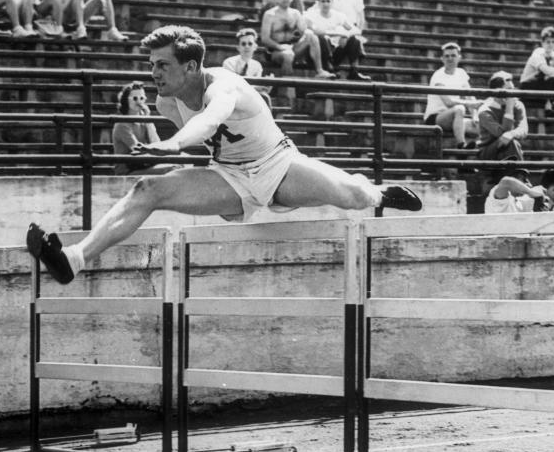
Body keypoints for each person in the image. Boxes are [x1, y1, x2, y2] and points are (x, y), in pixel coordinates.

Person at [27, 25, 421, 285]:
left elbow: (211, 121)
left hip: (277, 164)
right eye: (151, 65)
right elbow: (205, 137)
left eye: (163, 65)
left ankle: (380, 191)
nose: (154, 74)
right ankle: (74, 259)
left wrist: (174, 144)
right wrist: (174, 146)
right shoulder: (167, 102)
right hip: (228, 175)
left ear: (193, 66)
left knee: (352, 197)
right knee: (147, 188)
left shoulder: (225, 86)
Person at [261, 0, 334, 80]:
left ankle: (319, 70)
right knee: (288, 55)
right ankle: (287, 88)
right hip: (275, 51)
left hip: (293, 47)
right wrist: (280, 47)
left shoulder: (295, 13)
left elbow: (302, 32)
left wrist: (305, 27)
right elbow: (265, 39)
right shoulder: (270, 14)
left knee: (310, 35)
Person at [475, 70, 528, 189]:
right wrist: (509, 109)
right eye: (507, 92)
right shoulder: (485, 111)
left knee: (512, 142)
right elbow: (501, 135)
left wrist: (512, 133)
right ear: (496, 93)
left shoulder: (518, 105)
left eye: (512, 90)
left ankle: (519, 179)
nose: (511, 96)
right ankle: (522, 180)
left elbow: (523, 129)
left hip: (510, 150)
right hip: (489, 152)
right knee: (511, 143)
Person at [422, 42, 479, 149]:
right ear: (442, 59)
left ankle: (482, 151)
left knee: (483, 125)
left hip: (454, 118)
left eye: (453, 55)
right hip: (435, 118)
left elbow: (470, 95)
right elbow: (448, 102)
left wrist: (475, 115)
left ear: (459, 58)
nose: (450, 59)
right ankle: (461, 145)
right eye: (447, 56)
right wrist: (471, 104)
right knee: (459, 109)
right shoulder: (438, 75)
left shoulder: (461, 73)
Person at [303, 0, 369, 81]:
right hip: (317, 54)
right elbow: (317, 31)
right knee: (322, 38)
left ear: (332, 2)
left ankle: (354, 71)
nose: (325, 4)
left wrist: (346, 35)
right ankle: (328, 69)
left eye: (328, 1)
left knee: (355, 39)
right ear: (318, 3)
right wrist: (339, 33)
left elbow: (356, 30)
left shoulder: (338, 15)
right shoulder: (311, 15)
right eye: (323, 1)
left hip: (334, 52)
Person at [111, 81, 172, 176]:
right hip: (128, 172)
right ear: (126, 100)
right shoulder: (122, 124)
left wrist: (148, 119)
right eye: (135, 98)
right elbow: (138, 151)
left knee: (183, 163)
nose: (139, 101)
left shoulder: (144, 120)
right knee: (172, 169)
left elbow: (156, 143)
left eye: (142, 98)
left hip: (145, 165)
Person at [484, 167, 554, 214]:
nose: (529, 184)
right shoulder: (496, 195)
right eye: (523, 180)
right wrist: (531, 192)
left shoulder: (519, 202)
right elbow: (506, 181)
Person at [221, 27, 272, 107]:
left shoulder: (257, 66)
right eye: (243, 44)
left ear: (255, 47)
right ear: (238, 47)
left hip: (250, 97)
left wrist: (265, 87)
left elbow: (256, 86)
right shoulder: (229, 63)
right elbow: (232, 86)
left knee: (265, 97)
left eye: (250, 43)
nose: (247, 46)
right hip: (233, 96)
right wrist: (256, 88)